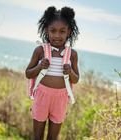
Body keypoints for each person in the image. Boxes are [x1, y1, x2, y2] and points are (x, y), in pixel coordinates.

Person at [25, 6, 80, 140]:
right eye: (53, 31)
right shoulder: (40, 51)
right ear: (46, 31)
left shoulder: (72, 54)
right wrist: (39, 66)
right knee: (37, 136)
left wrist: (71, 72)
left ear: (68, 32)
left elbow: (76, 79)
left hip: (60, 99)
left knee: (53, 137)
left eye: (62, 31)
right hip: (42, 96)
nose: (57, 35)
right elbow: (28, 73)